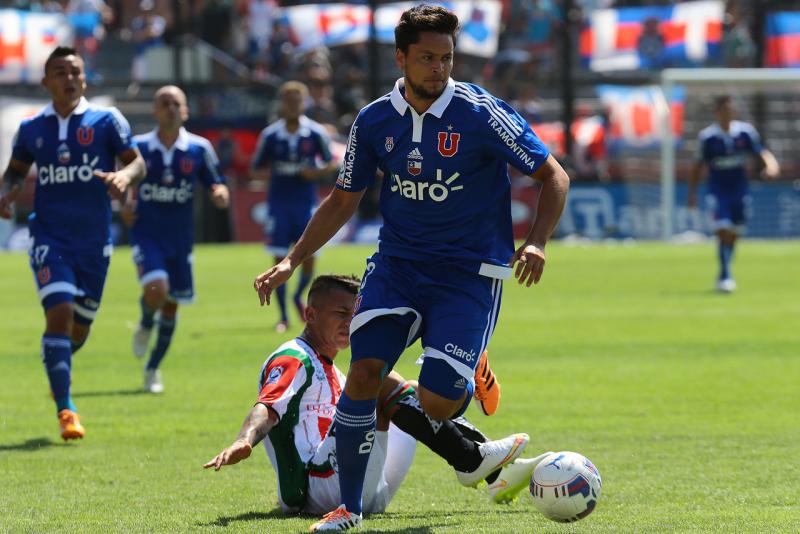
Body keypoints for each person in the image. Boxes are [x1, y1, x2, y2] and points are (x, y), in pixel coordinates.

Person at [253, 5, 569, 530]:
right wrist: (292, 259)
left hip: (468, 274)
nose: (438, 68)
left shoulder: (481, 113)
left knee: (438, 404)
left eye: (446, 58)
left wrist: (536, 243)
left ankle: (468, 367)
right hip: (397, 266)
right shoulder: (374, 121)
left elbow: (553, 176)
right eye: (426, 58)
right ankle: (349, 509)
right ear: (401, 58)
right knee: (363, 373)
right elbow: (343, 198)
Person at [205, 274, 550, 519]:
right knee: (380, 383)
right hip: (315, 489)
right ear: (310, 314)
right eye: (341, 314)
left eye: (355, 314)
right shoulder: (294, 358)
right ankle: (470, 460)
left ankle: (494, 474)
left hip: (357, 485)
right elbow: (268, 406)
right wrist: (244, 440)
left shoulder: (334, 370)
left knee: (410, 391)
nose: (350, 323)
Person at [0, 46, 146, 440]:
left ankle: (57, 367)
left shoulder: (106, 120)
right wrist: (7, 191)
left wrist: (124, 177)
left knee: (77, 331)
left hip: (94, 241)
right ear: (46, 81)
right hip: (49, 235)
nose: (69, 78)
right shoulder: (32, 128)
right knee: (60, 312)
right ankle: (66, 409)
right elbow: (14, 172)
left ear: (84, 78)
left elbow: (137, 162)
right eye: (60, 72)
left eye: (75, 71)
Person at [124, 85, 230, 393]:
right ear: (155, 111)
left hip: (181, 239)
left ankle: (152, 368)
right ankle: (146, 322)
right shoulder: (138, 146)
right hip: (147, 233)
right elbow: (124, 181)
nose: (170, 108)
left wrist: (220, 194)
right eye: (164, 103)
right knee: (157, 289)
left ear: (185, 111)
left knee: (171, 306)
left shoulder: (199, 148)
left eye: (176, 104)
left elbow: (216, 182)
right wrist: (125, 204)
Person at [251, 81, 338, 333]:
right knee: (279, 259)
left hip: (306, 205)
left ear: (304, 103)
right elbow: (255, 168)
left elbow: (332, 162)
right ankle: (282, 316)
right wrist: (269, 174)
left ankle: (297, 295)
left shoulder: (315, 133)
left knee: (309, 258)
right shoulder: (270, 135)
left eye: (296, 100)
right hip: (279, 205)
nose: (292, 105)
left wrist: (316, 172)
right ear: (282, 104)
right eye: (288, 100)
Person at [688, 95, 780, 293]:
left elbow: (762, 151)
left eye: (730, 109)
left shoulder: (745, 132)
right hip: (717, 191)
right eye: (723, 110)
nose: (727, 113)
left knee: (735, 232)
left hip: (739, 191)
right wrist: (692, 194)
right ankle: (725, 274)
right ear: (717, 112)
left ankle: (725, 270)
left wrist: (771, 165)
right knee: (723, 229)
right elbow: (697, 166)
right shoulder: (707, 137)